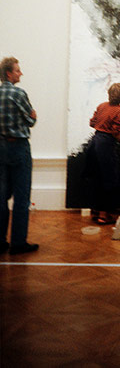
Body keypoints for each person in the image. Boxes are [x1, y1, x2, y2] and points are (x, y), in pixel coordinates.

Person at [0, 57, 38, 255]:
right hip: (18, 147)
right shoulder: (18, 93)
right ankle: (18, 243)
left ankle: (0, 240)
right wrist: (33, 116)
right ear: (9, 73)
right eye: (17, 70)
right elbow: (30, 120)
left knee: (0, 197)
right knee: (21, 197)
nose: (20, 73)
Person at [86, 83, 120, 224]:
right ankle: (104, 215)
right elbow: (115, 132)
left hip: (94, 143)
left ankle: (95, 212)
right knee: (108, 179)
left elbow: (92, 123)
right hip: (105, 145)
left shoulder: (102, 106)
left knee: (95, 178)